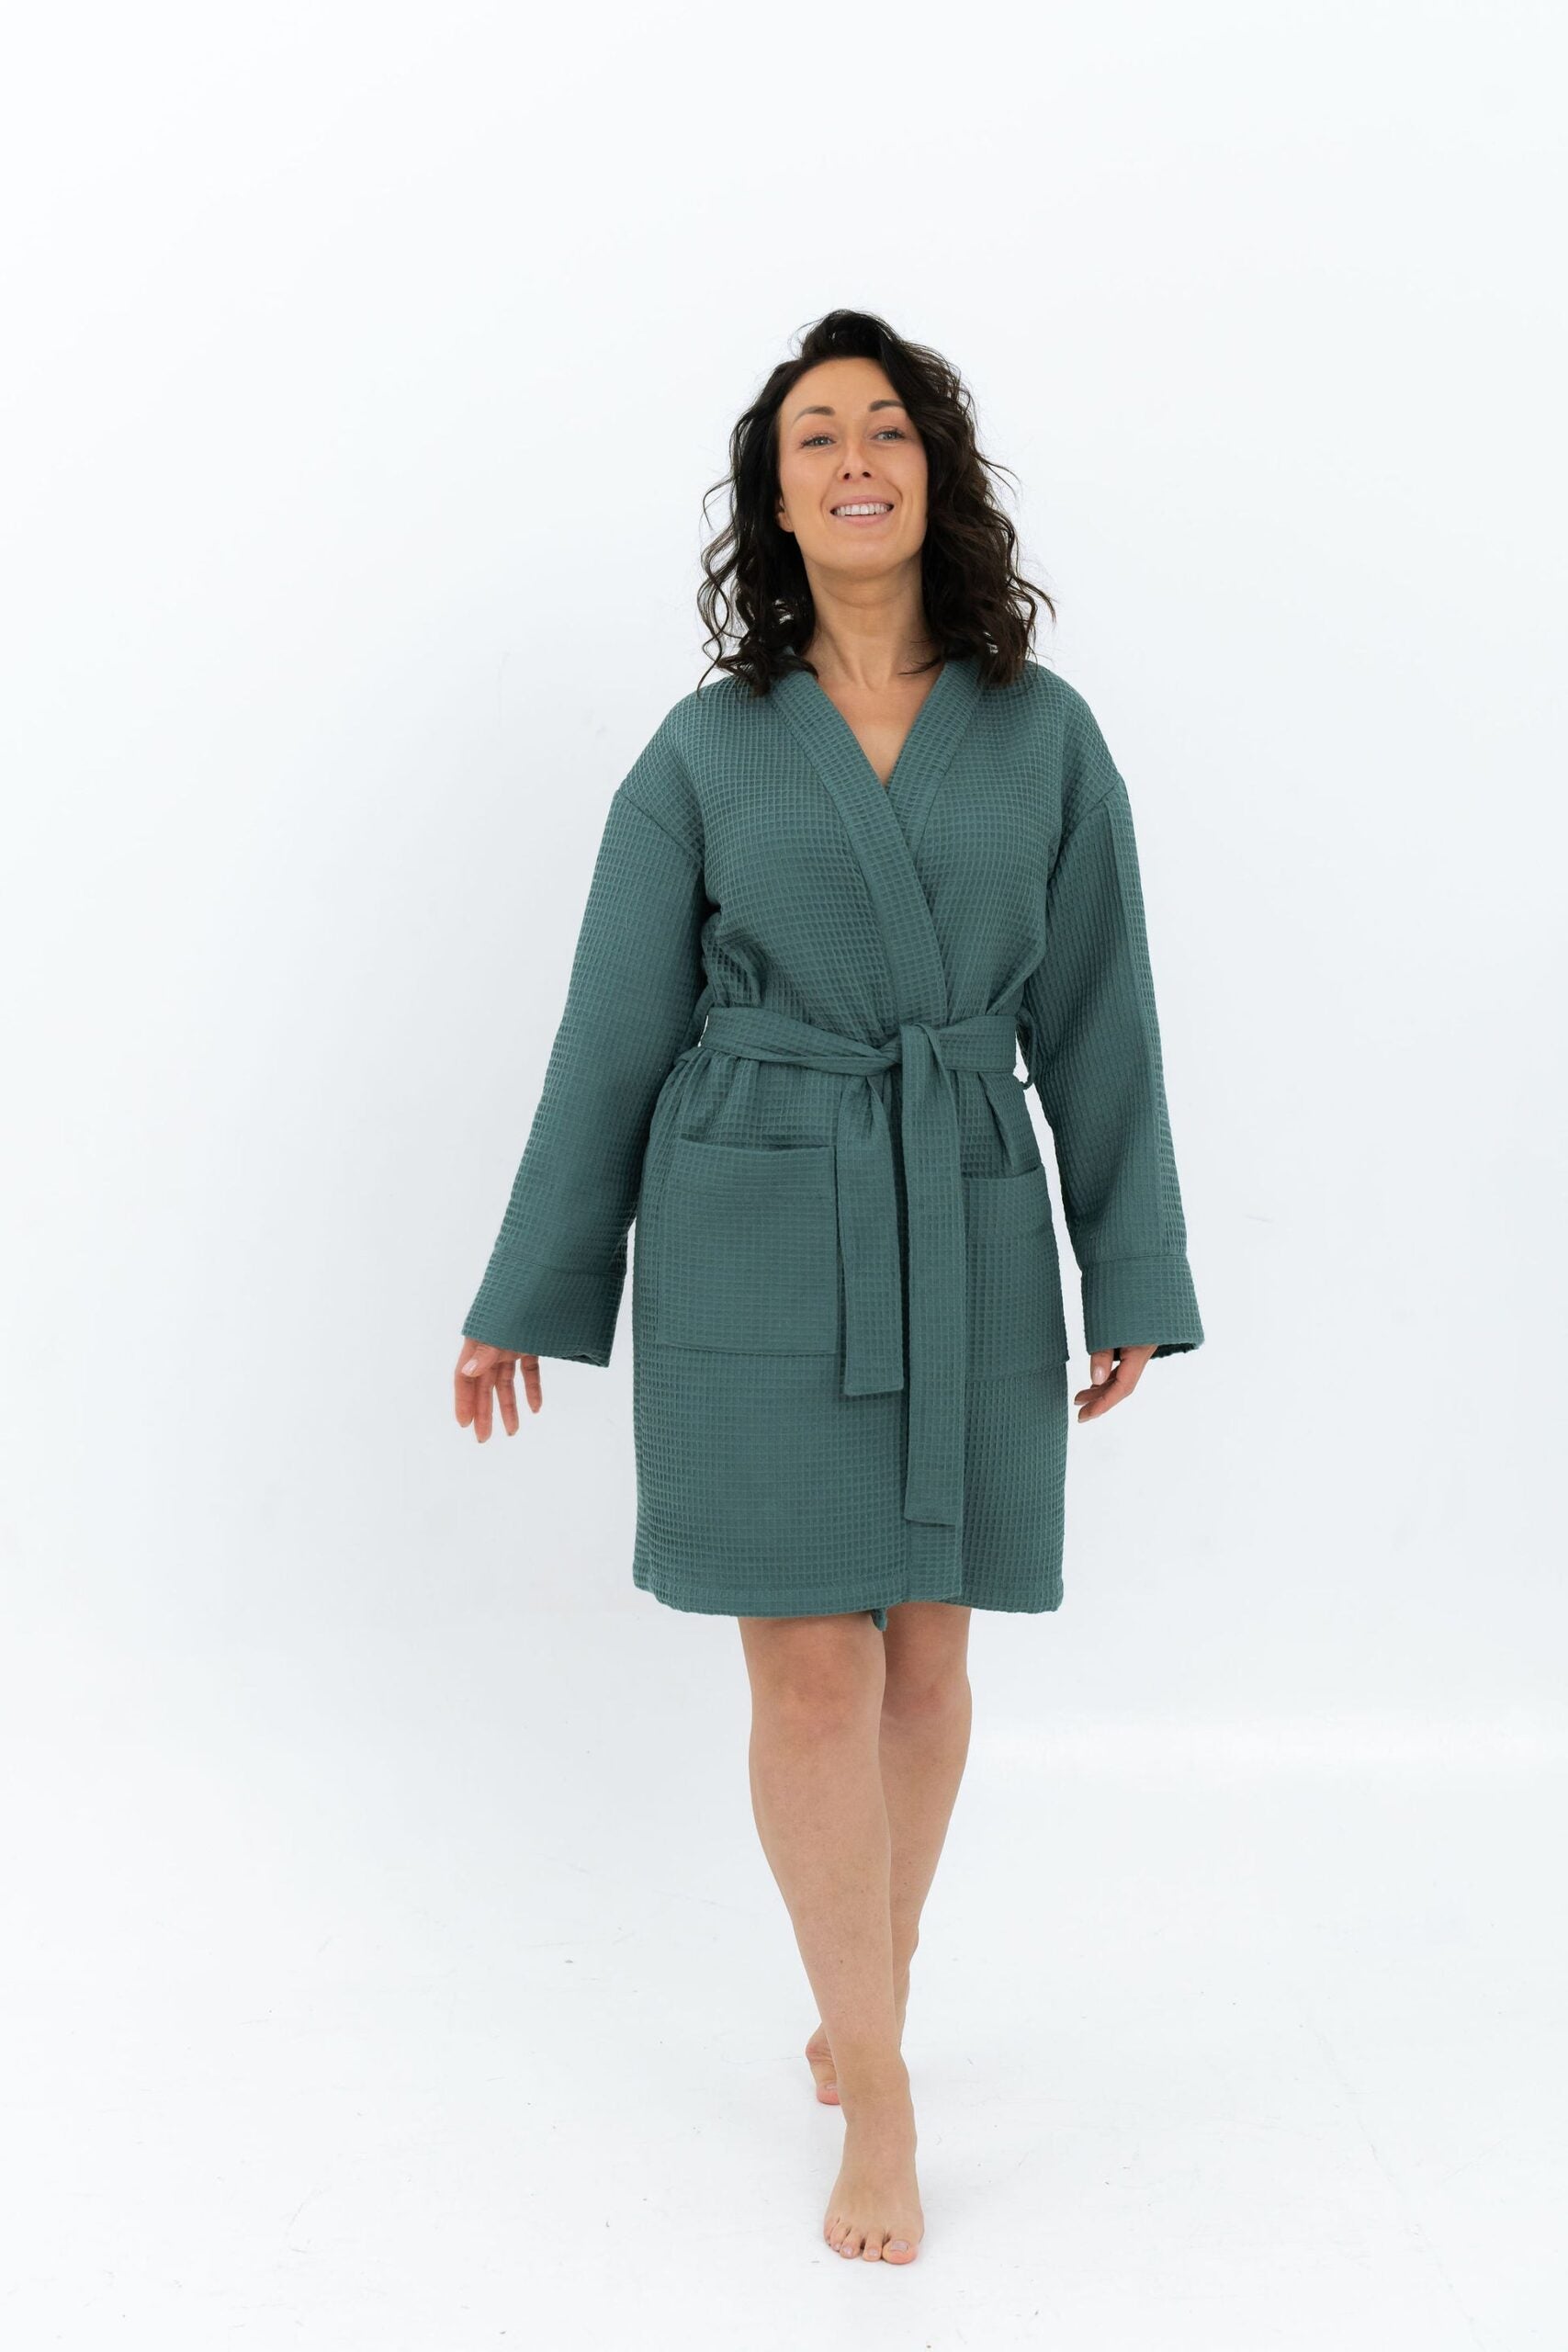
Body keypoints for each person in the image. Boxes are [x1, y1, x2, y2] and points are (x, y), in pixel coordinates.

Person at [453, 308, 1205, 2265]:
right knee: (809, 1662)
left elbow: (1100, 1010)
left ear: (933, 477)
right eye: (815, 437)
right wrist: (532, 1285)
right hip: (751, 1210)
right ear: (774, 498)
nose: (854, 458)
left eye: (887, 429)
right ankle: (877, 2077)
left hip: (959, 1199)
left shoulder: (1043, 731)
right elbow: (609, 1028)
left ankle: (868, 1969)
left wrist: (1126, 1257)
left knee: (929, 1656)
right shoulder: (704, 750)